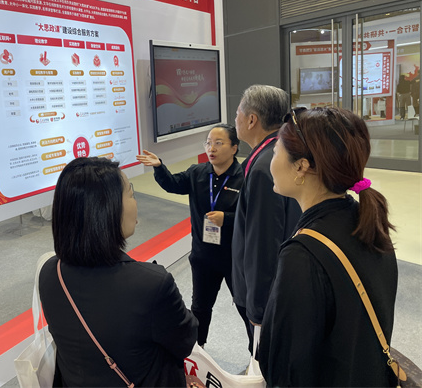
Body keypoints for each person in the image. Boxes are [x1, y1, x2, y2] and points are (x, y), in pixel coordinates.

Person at [259, 107, 398, 386]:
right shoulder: (367, 221)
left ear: (301, 166)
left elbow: (286, 370)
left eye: (275, 151)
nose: (270, 162)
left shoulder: (303, 255)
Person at [39, 157, 198, 387]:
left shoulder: (50, 272)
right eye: (131, 193)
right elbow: (185, 340)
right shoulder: (151, 284)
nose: (135, 201)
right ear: (108, 209)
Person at [136, 124, 244, 347]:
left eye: (218, 143)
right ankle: (199, 350)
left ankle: (258, 353)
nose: (211, 148)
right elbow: (173, 184)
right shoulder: (197, 173)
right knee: (200, 308)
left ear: (234, 148)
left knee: (245, 306)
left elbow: (253, 216)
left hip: (235, 257)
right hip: (203, 256)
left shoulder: (244, 178)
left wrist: (227, 219)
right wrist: (159, 167)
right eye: (208, 143)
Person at [232, 85, 301, 354]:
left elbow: (264, 244)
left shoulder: (264, 167)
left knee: (263, 357)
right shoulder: (280, 153)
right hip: (281, 287)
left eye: (238, 112)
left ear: (252, 120)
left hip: (266, 299)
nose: (235, 118)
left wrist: (258, 310)